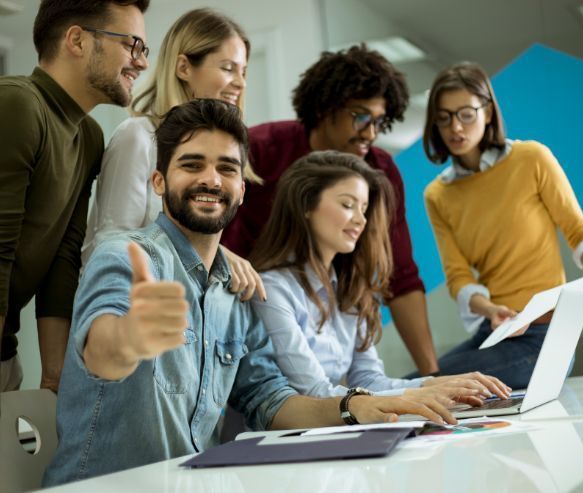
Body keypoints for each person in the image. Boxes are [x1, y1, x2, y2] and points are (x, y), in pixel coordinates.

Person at [43, 99, 465, 486]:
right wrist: (129, 339)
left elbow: (270, 399)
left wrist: (353, 406)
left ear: (242, 188)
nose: (211, 179)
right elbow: (100, 352)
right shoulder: (125, 257)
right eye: (192, 165)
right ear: (158, 181)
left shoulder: (237, 289)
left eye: (227, 168)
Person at [221, 44, 439, 376]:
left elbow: (402, 276)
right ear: (326, 107)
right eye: (360, 116)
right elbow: (212, 244)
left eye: (379, 121)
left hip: (327, 307)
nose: (370, 133)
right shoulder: (260, 149)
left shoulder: (381, 170)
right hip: (248, 311)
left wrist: (431, 376)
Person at [249, 150, 510, 401]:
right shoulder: (273, 290)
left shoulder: (349, 289)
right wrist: (423, 392)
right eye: (347, 204)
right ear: (306, 204)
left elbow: (370, 381)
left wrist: (438, 384)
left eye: (364, 209)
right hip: (275, 441)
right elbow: (314, 393)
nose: (361, 220)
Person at [0, 0, 150, 392]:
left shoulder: (89, 138)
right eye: (132, 45)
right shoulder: (17, 104)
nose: (142, 63)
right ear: (77, 40)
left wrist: (55, 376)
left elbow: (61, 261)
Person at [421, 62, 583, 389]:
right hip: (495, 330)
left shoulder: (532, 159)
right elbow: (459, 278)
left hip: (545, 339)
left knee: (426, 387)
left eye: (466, 114)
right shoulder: (437, 195)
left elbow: (578, 231)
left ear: (488, 112)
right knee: (415, 385)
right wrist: (490, 309)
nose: (456, 127)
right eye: (444, 117)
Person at [82, 8, 263, 300]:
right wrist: (221, 255)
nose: (241, 83)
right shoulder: (137, 136)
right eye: (228, 68)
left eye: (243, 72)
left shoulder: (231, 153)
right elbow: (110, 244)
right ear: (183, 67)